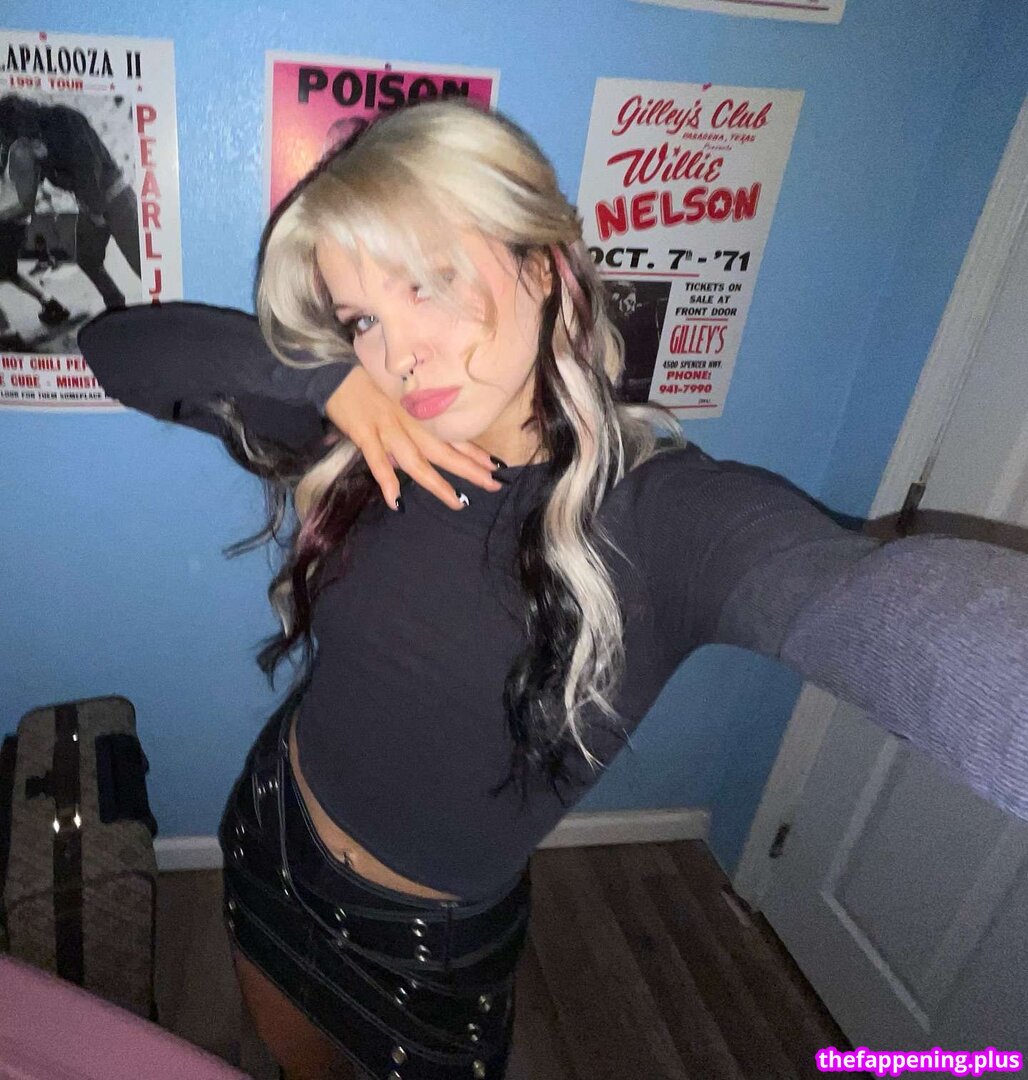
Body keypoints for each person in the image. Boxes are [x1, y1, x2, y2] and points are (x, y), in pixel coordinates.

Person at [78, 100, 1028, 1080]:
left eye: (429, 283)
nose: (398, 355)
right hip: (274, 834)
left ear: (541, 265)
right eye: (363, 320)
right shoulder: (364, 435)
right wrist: (325, 381)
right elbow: (117, 352)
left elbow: (867, 604)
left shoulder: (661, 514)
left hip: (428, 951)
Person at [0, 96, 141, 310]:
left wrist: (96, 210)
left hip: (115, 198)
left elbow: (88, 166)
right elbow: (32, 189)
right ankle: (115, 305)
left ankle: (167, 309)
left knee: (139, 261)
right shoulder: (33, 143)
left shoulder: (63, 119)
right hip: (89, 204)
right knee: (87, 257)